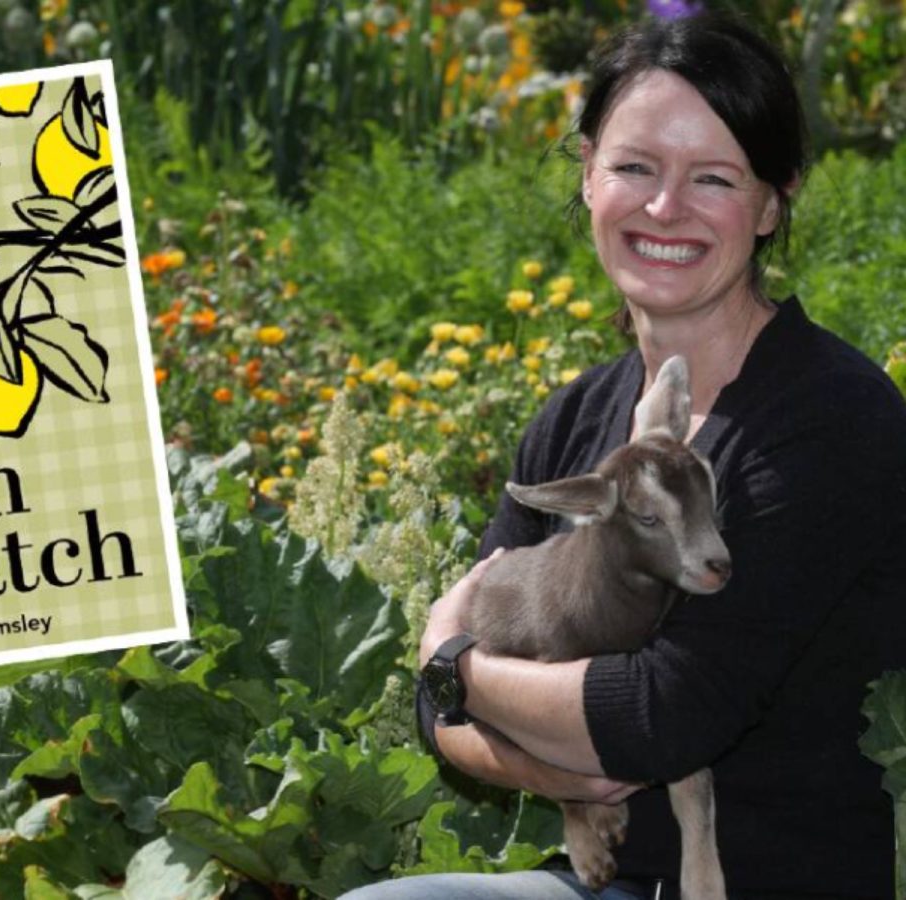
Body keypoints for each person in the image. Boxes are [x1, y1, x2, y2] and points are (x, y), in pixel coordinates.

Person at [340, 11, 906, 900]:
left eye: (712, 178)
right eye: (634, 167)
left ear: (772, 201)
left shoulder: (828, 420)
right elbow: (436, 720)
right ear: (588, 174)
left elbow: (659, 721)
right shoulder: (573, 424)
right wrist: (545, 756)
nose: (663, 208)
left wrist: (451, 657)